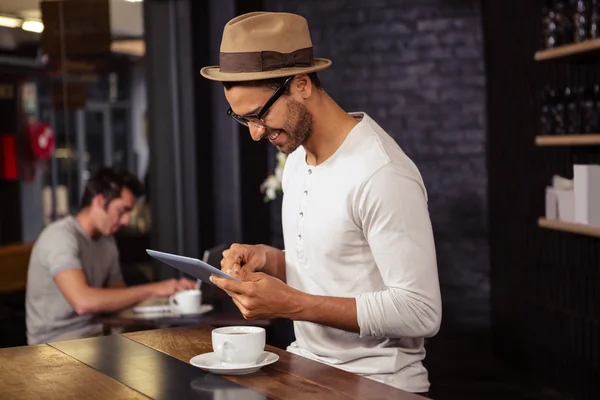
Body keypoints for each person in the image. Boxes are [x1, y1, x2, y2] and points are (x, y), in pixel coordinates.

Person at [201, 12, 442, 395]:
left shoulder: (381, 173)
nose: (254, 133)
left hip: (379, 384)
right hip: (306, 373)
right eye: (241, 118)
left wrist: (290, 304)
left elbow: (420, 311)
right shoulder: (296, 159)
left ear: (300, 85)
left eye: (260, 114)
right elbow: (338, 264)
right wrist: (270, 260)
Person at [25, 167, 195, 344]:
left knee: (172, 337)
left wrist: (168, 297)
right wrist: (154, 289)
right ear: (99, 201)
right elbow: (83, 302)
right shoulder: (60, 236)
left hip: (99, 332)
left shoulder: (107, 241)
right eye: (122, 210)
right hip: (56, 344)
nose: (126, 220)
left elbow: (119, 295)